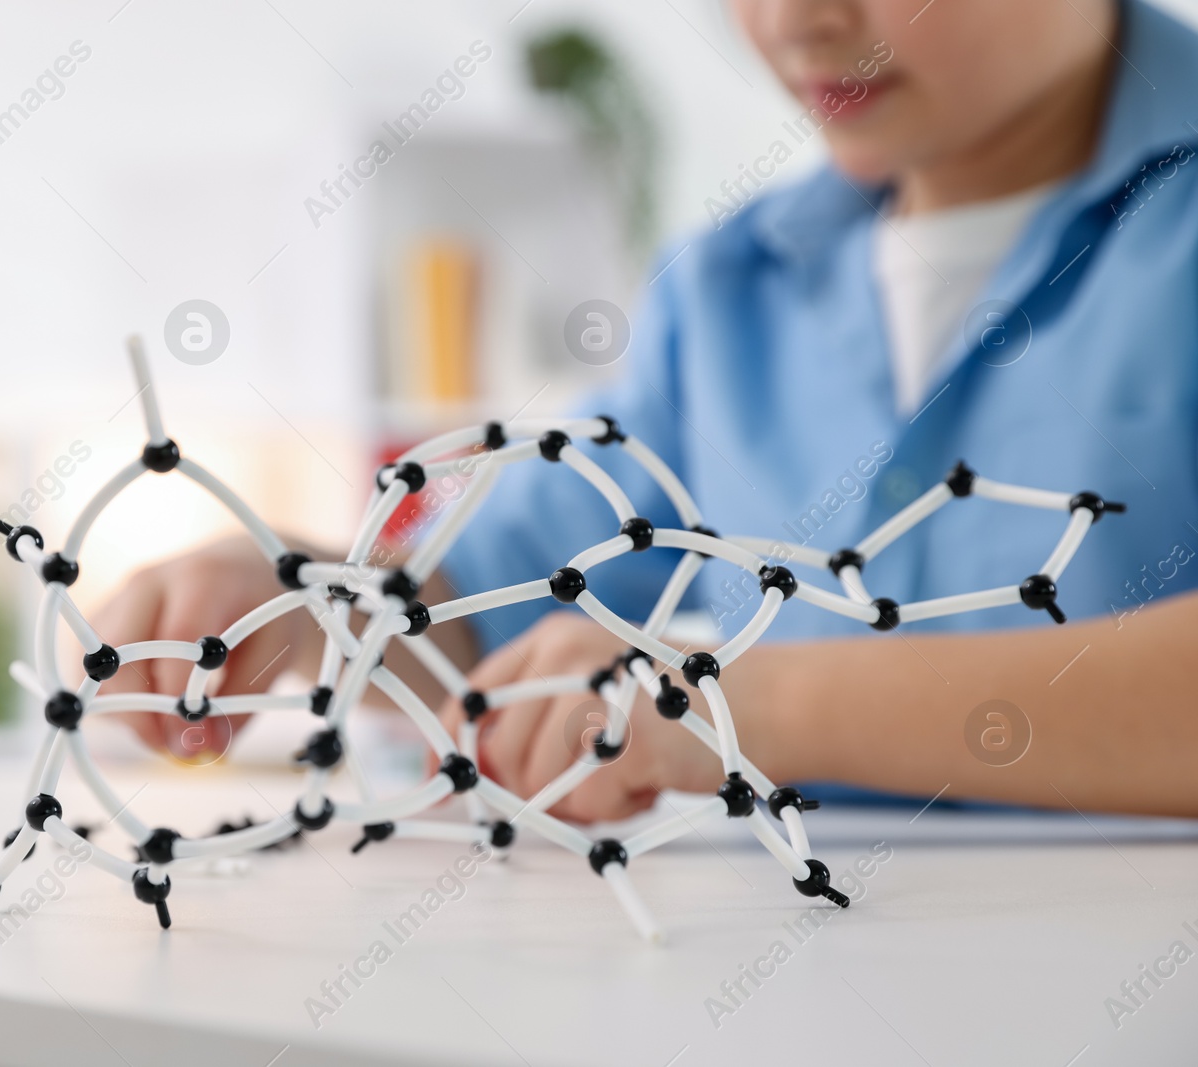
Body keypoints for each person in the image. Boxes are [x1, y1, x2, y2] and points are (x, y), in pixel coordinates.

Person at [96, 0, 1198, 822]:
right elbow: (491, 604)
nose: (795, 21)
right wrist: (307, 596)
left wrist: (740, 705)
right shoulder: (724, 295)